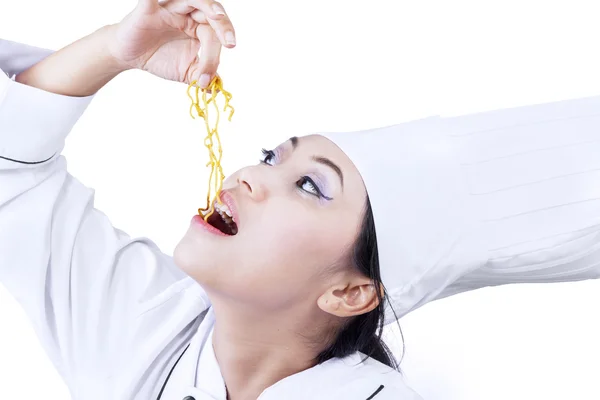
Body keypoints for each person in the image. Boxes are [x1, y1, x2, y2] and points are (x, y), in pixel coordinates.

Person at [1, 1, 599, 399]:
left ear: (350, 292)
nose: (248, 178)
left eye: (311, 186)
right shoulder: (147, 329)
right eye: (271, 159)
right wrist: (114, 50)